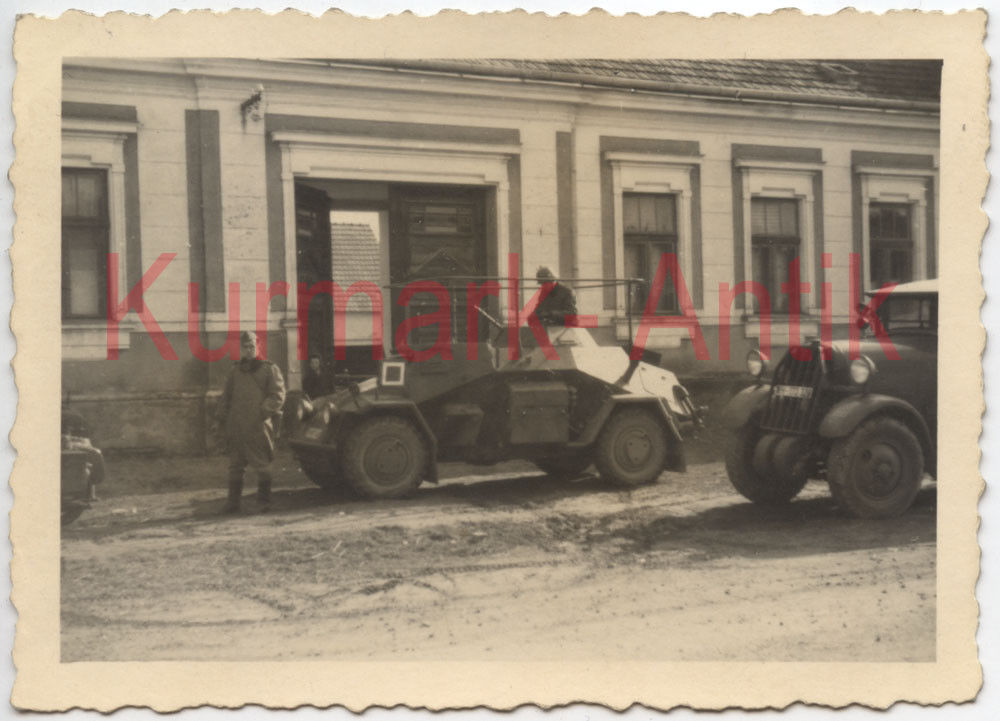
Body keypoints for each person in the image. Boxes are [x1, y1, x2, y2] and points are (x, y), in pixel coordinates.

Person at [214, 331, 286, 513]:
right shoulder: (235, 371)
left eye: (252, 346)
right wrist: (221, 418)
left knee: (262, 466)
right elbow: (226, 397)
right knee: (235, 466)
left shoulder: (269, 369)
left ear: (258, 346)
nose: (249, 350)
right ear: (241, 348)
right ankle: (233, 503)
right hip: (237, 427)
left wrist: (263, 412)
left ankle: (264, 503)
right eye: (245, 347)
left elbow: (278, 395)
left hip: (258, 427)